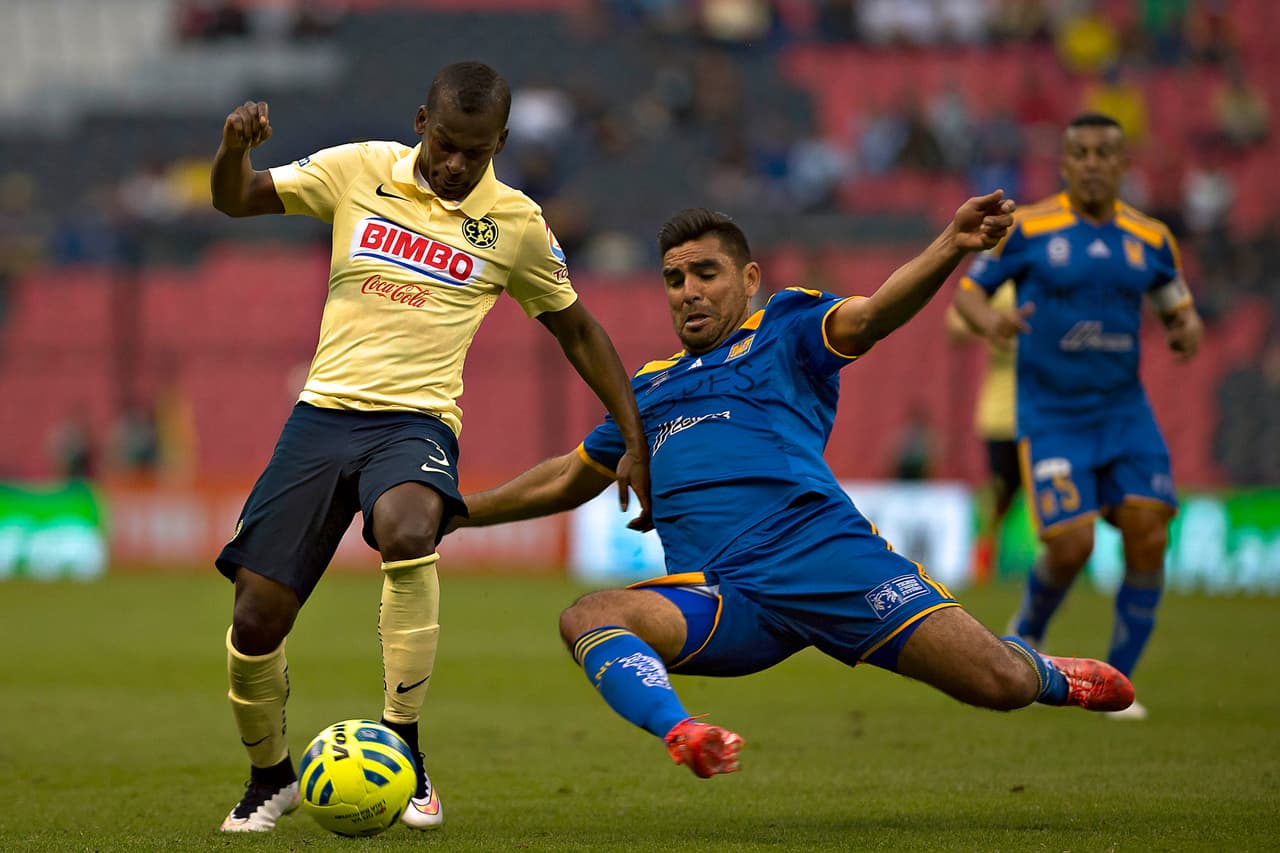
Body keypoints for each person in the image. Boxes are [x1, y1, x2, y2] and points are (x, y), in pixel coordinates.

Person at [450, 196, 1135, 780]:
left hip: (822, 559)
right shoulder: (648, 387)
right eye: (673, 278)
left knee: (1000, 685)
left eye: (705, 273)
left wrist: (951, 244)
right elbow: (570, 474)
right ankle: (685, 733)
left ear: (748, 279)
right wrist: (453, 514)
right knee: (589, 615)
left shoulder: (785, 329)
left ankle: (1047, 673)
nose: (687, 290)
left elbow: (871, 317)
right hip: (719, 595)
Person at [209, 61, 651, 831]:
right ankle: (268, 776)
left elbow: (577, 328)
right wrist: (231, 150)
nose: (453, 164)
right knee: (255, 619)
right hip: (321, 416)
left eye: (473, 153)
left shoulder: (516, 224)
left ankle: (406, 753)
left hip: (415, 422)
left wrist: (635, 434)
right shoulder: (355, 170)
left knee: (411, 528)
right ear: (421, 122)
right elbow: (235, 198)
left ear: (500, 144)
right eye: (444, 143)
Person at [952, 113, 1203, 722]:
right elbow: (969, 295)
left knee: (1148, 533)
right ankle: (1028, 629)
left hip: (1124, 414)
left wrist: (1185, 330)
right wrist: (994, 326)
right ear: (1064, 164)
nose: (1092, 162)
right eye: (1080, 152)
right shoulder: (1032, 228)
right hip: (1052, 414)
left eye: (1104, 153)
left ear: (1123, 164)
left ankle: (1121, 684)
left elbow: (1177, 305)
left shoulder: (1150, 238)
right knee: (1072, 545)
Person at [945, 281, 1018, 581]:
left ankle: (1052, 564)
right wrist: (992, 323)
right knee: (1000, 491)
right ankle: (985, 554)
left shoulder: (1053, 273)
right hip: (1000, 413)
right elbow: (955, 325)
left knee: (1047, 490)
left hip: (1049, 413)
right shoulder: (998, 282)